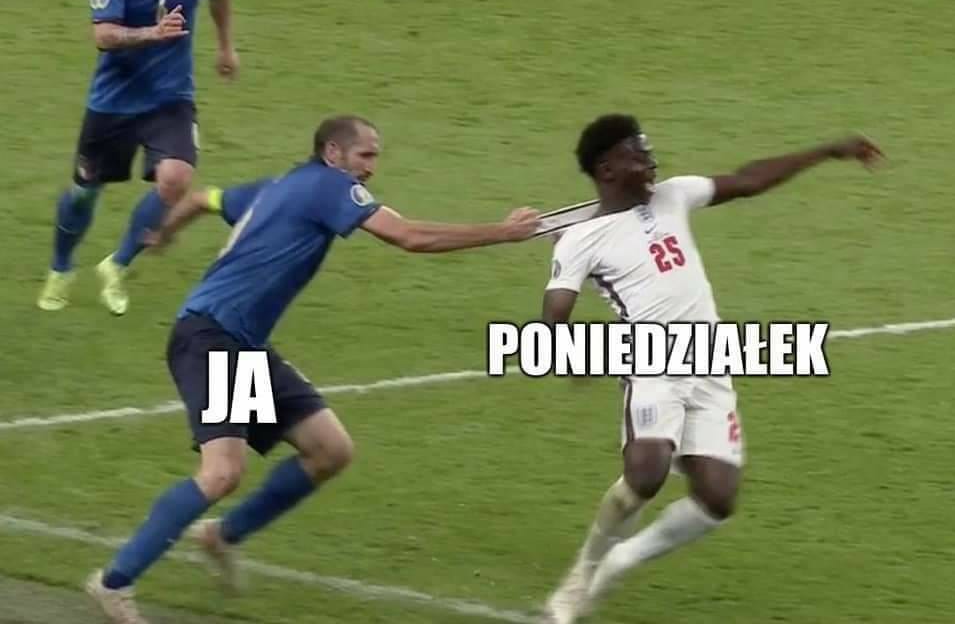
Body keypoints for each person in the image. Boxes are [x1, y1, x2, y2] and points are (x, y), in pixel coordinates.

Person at [84, 115, 540, 623]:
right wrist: (503, 232)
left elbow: (202, 198)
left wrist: (166, 231)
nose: (371, 168)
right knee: (221, 473)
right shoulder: (329, 186)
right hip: (212, 337)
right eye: (365, 155)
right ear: (333, 153)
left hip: (240, 342)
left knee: (329, 450)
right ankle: (113, 582)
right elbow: (410, 236)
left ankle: (221, 535)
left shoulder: (278, 186)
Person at [540, 114, 883, 623]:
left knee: (718, 499)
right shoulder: (581, 239)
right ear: (607, 169)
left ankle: (620, 560)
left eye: (648, 149)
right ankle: (580, 577)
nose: (650, 159)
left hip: (709, 363)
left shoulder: (674, 195)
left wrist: (827, 150)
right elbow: (555, 310)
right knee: (646, 474)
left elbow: (748, 180)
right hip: (653, 365)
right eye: (637, 153)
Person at [38, 0, 237, 316]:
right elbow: (103, 35)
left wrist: (226, 47)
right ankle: (61, 268)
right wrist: (153, 33)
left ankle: (117, 265)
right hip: (113, 103)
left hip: (171, 99)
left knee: (176, 178)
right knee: (83, 194)